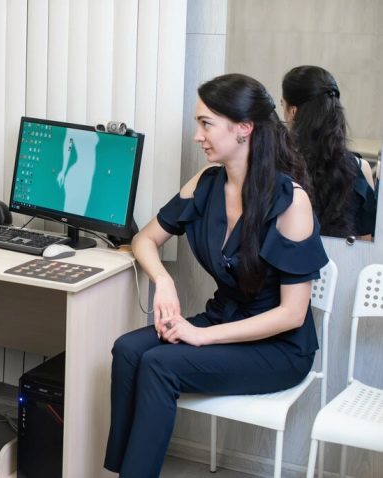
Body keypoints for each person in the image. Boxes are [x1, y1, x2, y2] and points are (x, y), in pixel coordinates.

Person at [104, 74, 328, 477]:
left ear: (244, 128)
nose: (197, 136)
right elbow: (143, 240)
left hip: (279, 348)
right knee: (128, 350)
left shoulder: (291, 202)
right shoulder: (206, 185)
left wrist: (200, 335)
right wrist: (164, 281)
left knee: (160, 365)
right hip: (222, 318)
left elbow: (293, 314)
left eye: (206, 123)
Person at [282, 65, 377, 239]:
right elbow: (366, 243)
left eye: (283, 104)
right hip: (342, 258)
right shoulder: (360, 168)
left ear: (293, 111)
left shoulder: (278, 163)